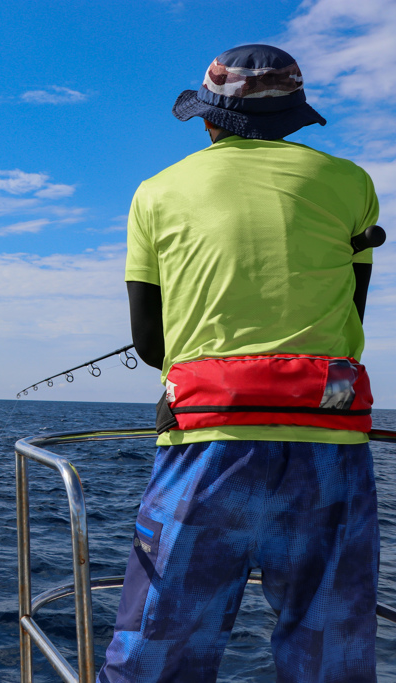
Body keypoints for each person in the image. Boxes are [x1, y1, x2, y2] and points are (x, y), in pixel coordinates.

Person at [99, 44, 380, 682]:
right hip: (330, 440)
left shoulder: (157, 191)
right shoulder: (352, 184)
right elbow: (351, 317)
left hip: (207, 439)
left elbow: (150, 345)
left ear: (209, 119)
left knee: (158, 647)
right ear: (293, 115)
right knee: (330, 649)